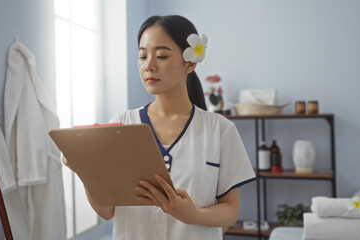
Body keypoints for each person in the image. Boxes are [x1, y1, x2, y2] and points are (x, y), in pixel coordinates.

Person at [63, 15, 256, 240]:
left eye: (162, 56)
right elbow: (107, 211)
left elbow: (230, 212)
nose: (149, 66)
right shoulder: (121, 126)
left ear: (191, 63)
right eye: (143, 56)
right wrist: (85, 169)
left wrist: (192, 214)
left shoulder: (220, 130)